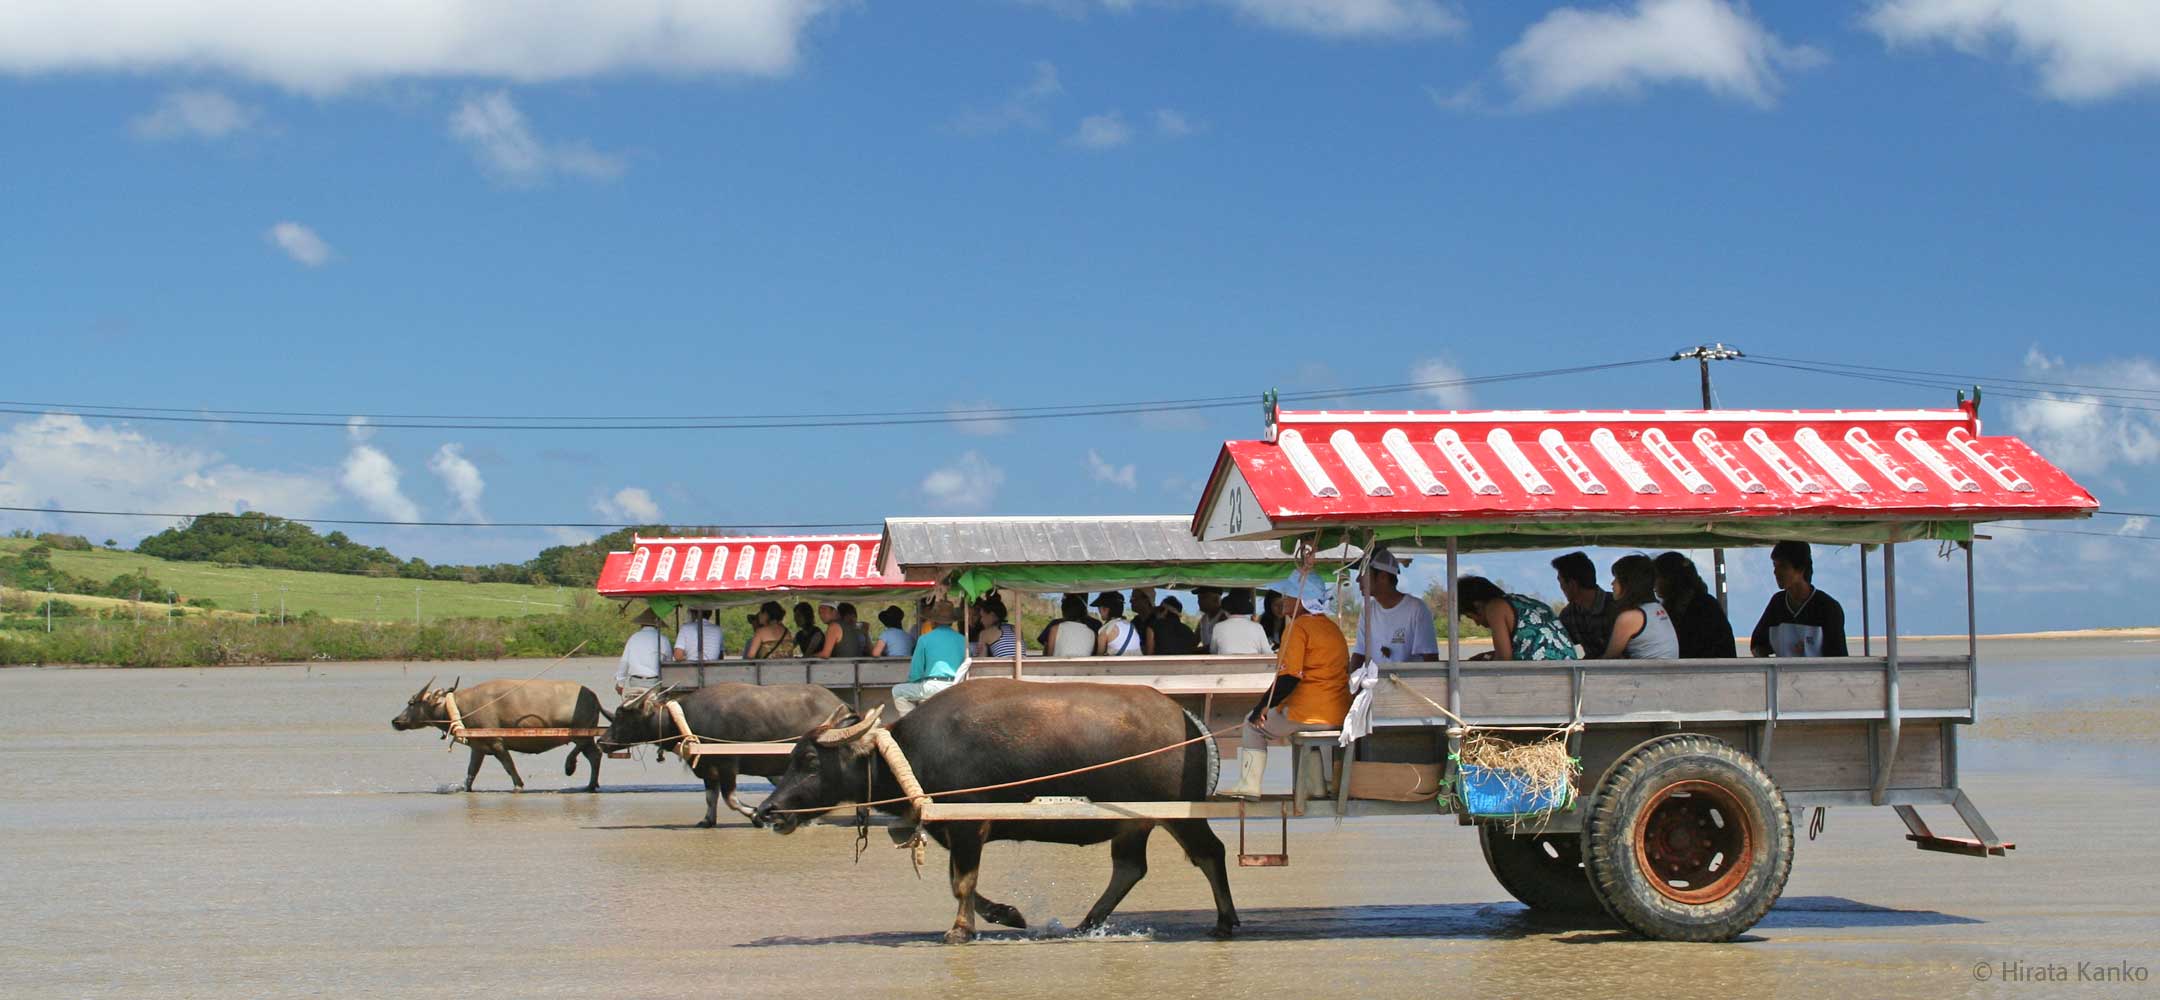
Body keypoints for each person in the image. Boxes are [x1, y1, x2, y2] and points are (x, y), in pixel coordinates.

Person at [1218, 576, 1349, 799]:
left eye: (1288, 595)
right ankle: (1316, 788)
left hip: (1308, 713)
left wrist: (1261, 707)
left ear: (1301, 600)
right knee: (1290, 728)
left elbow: (1290, 677)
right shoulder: (1332, 628)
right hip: (1337, 712)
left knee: (1251, 725)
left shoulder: (1298, 628)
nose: (1283, 600)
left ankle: (1249, 786)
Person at [1750, 541, 1849, 657]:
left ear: (1801, 569)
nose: (1776, 572)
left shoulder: (1828, 608)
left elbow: (1838, 660)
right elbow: (1757, 645)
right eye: (1774, 566)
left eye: (1783, 566)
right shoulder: (1777, 603)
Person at [1349, 547, 1439, 669]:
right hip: (1377, 684)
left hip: (1408, 685)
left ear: (1383, 577)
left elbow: (1430, 659)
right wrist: (1348, 683)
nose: (1358, 579)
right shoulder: (1368, 610)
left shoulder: (1417, 609)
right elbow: (1360, 653)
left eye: (1363, 573)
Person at [1455, 576, 1578, 661]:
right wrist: (1486, 656)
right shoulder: (1520, 602)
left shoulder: (1495, 607)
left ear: (1478, 605)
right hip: (1568, 668)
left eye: (1472, 617)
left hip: (1545, 674)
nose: (1477, 623)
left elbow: (1504, 659)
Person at [1655, 552, 1737, 658]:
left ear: (1670, 579)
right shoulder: (1696, 603)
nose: (1654, 583)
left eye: (1657, 577)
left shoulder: (1703, 607)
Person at [894, 600, 966, 716]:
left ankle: (912, 722)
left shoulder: (924, 639)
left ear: (933, 621)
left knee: (897, 691)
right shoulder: (963, 639)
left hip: (932, 687)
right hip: (956, 687)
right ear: (951, 622)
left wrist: (913, 683)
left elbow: (916, 673)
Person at [1601, 555, 1680, 659]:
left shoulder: (1630, 617)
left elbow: (1609, 659)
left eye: (1616, 578)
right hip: (1664, 672)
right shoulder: (1656, 607)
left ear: (1628, 583)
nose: (1612, 583)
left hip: (1649, 674)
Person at [1551, 551, 1617, 658]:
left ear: (1572, 584)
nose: (1561, 588)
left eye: (1561, 582)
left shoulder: (1618, 608)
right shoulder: (1568, 615)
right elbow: (1559, 647)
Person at [615, 608, 669, 694]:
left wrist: (620, 683)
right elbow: (668, 663)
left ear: (641, 624)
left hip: (635, 682)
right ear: (657, 625)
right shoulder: (662, 639)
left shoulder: (633, 638)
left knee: (629, 705)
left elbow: (624, 662)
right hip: (654, 683)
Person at [1208, 588, 1274, 654]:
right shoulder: (1258, 627)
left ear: (1226, 610)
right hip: (1252, 663)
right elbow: (1268, 653)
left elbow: (1213, 651)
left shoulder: (1218, 627)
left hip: (1225, 664)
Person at [1092, 591, 1143, 656]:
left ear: (1105, 609)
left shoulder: (1105, 630)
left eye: (1099, 608)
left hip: (1118, 665)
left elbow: (1098, 658)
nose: (1098, 611)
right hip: (1139, 665)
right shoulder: (1132, 626)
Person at [1193, 587, 1228, 651]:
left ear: (1216, 599)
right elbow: (1193, 641)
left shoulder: (1224, 617)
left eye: (1203, 598)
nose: (1199, 602)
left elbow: (1221, 646)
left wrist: (1199, 650)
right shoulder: (1203, 619)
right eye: (1198, 598)